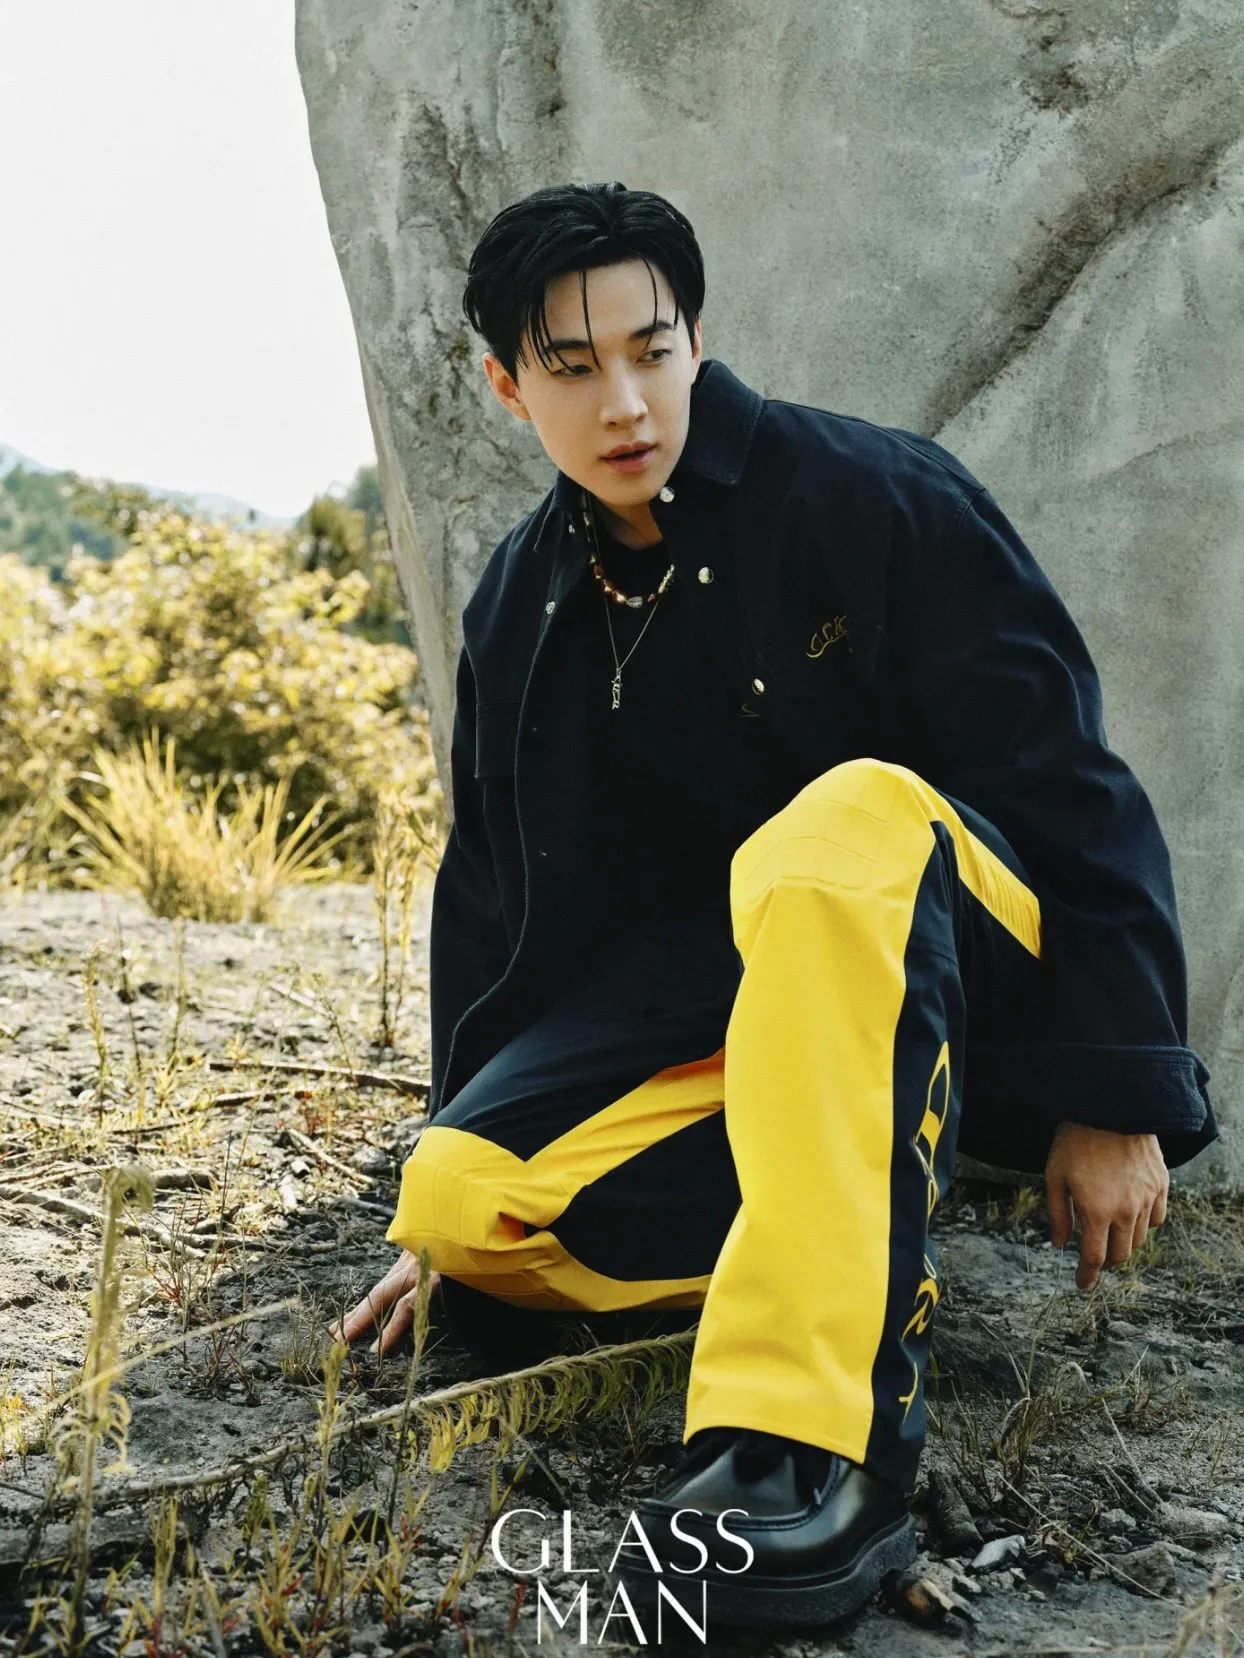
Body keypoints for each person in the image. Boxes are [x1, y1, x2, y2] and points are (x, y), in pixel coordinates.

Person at [336, 182, 1216, 1628]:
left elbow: (1070, 780)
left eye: (651, 349)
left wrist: (1117, 1091)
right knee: (465, 1199)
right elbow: (493, 897)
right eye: (574, 367)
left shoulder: (870, 493)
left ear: (696, 340)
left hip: (954, 963)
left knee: (842, 819)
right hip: (734, 1015)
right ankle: (833, 1232)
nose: (626, 402)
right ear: (508, 387)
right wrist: (451, 1155)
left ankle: (814, 1449)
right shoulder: (523, 604)